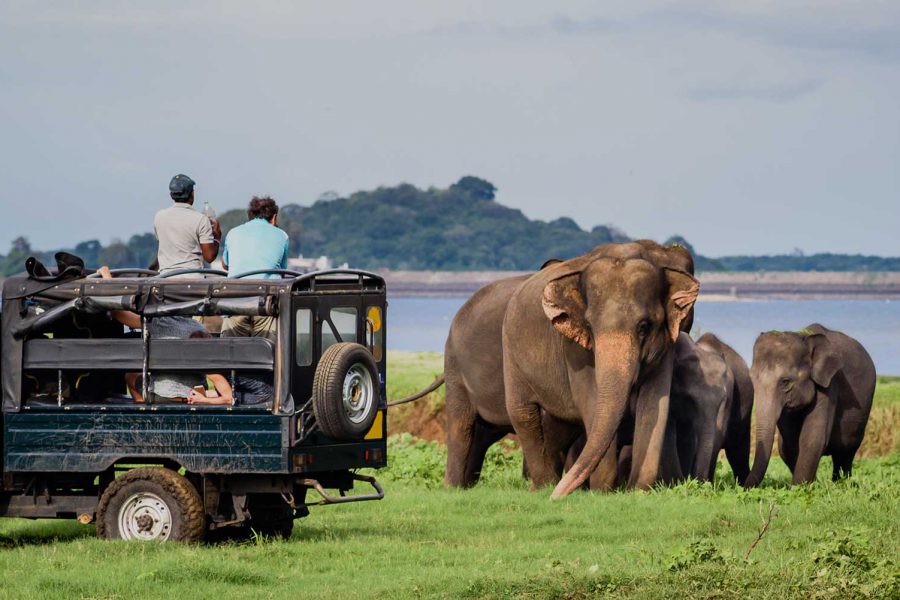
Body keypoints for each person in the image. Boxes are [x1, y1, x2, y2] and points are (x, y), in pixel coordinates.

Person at [98, 266, 233, 405]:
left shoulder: (157, 322)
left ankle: (142, 406)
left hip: (163, 396)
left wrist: (107, 277)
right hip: (195, 394)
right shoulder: (199, 328)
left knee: (130, 376)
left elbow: (117, 312)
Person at [220, 196, 289, 341]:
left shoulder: (233, 233)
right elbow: (282, 271)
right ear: (274, 217)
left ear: (250, 216)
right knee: (267, 354)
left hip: (235, 300)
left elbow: (225, 264)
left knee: (231, 353)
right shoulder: (282, 235)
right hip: (265, 302)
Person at [154, 174, 222, 275]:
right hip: (193, 279)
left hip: (166, 278)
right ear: (192, 194)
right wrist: (217, 237)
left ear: (171, 195)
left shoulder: (159, 216)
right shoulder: (201, 219)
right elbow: (209, 257)